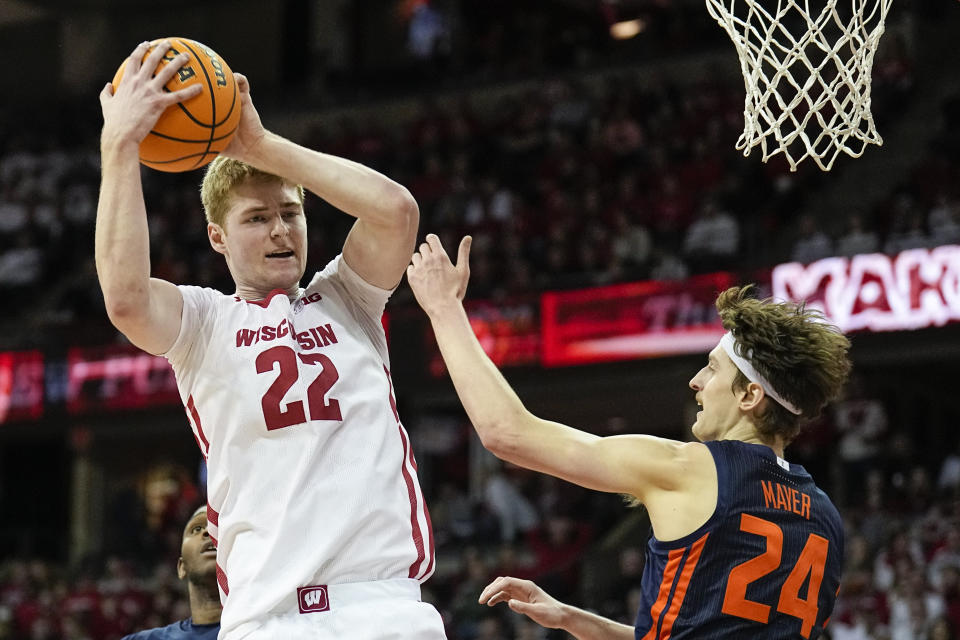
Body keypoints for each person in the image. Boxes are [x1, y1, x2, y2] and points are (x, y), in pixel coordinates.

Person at [96, 41, 445, 639]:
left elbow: (396, 212)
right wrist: (120, 145)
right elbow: (126, 299)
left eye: (291, 213)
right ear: (217, 238)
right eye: (257, 219)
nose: (281, 230)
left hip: (383, 605)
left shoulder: (348, 298)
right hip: (267, 618)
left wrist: (258, 144)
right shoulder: (205, 324)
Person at [407, 234, 851, 639]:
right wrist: (570, 617)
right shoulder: (826, 519)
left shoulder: (690, 469)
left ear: (750, 395)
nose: (696, 381)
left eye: (713, 368)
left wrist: (444, 308)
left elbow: (507, 434)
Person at [121, 506, 221, 639]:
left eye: (220, 528)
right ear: (181, 567)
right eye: (197, 529)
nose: (208, 532)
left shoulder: (254, 632)